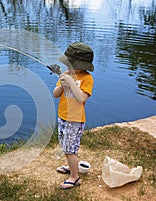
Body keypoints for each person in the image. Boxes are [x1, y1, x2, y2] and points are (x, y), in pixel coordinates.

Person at [53, 42, 94, 189]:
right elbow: (56, 94)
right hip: (62, 116)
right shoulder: (66, 74)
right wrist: (62, 84)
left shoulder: (87, 79)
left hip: (75, 119)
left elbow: (82, 98)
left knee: (70, 149)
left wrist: (71, 82)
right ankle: (72, 167)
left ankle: (74, 177)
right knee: (66, 146)